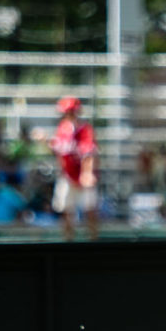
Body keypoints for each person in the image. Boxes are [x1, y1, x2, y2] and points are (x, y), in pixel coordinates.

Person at [49, 96, 99, 241]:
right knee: (66, 210)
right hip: (67, 175)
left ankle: (93, 242)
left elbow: (88, 152)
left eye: (71, 112)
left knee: (89, 210)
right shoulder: (62, 128)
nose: (68, 115)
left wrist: (87, 173)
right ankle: (68, 242)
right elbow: (60, 152)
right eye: (66, 112)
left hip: (83, 176)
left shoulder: (84, 129)